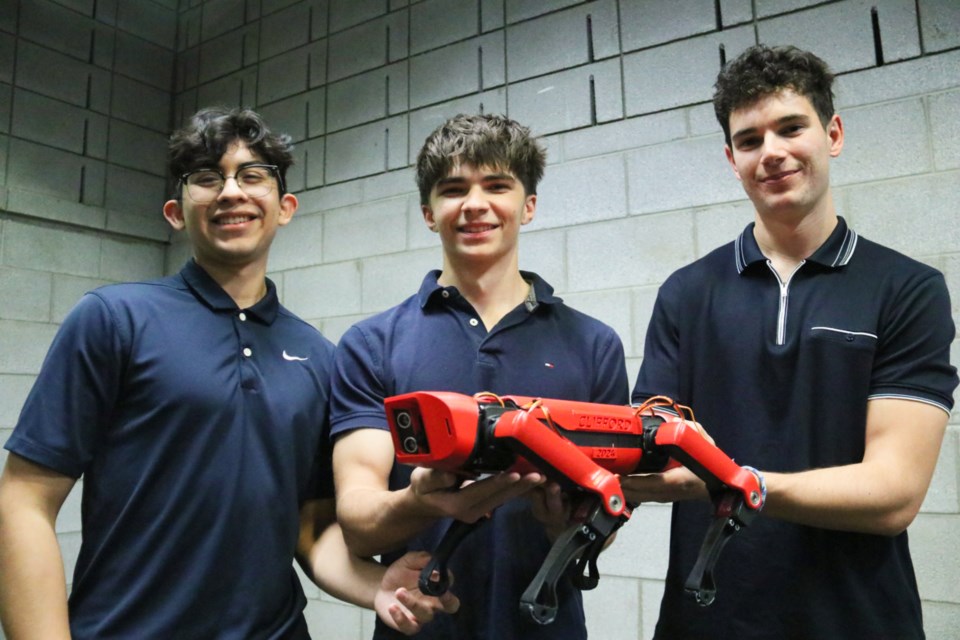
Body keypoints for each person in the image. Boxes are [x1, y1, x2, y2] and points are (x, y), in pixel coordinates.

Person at [0, 107, 457, 639]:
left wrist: (373, 583)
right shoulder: (113, 318)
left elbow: (309, 527)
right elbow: (24, 500)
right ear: (175, 211)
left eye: (253, 175)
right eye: (207, 178)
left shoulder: (318, 355)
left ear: (285, 207)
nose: (231, 192)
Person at [624, 44, 958, 639]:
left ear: (832, 133)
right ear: (732, 158)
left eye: (790, 128)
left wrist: (731, 480)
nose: (771, 152)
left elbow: (893, 495)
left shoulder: (907, 289)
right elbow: (651, 454)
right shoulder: (685, 292)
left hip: (856, 622)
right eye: (750, 140)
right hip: (705, 622)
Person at [328, 113, 629, 639]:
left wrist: (568, 525)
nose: (474, 204)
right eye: (453, 189)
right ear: (428, 212)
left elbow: (605, 518)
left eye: (496, 185)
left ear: (528, 205)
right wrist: (417, 501)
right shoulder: (372, 344)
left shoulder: (594, 344)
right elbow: (356, 517)